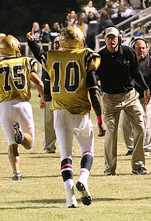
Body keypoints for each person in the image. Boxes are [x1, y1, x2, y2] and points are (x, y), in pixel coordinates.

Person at [29, 26, 105, 208]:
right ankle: (83, 179)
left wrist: (32, 42)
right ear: (80, 40)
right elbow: (94, 92)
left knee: (65, 155)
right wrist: (100, 121)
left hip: (60, 113)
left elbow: (40, 56)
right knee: (87, 149)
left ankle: (69, 197)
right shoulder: (86, 56)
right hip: (80, 112)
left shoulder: (52, 56)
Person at [0, 35, 46, 181]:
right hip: (23, 104)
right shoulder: (25, 62)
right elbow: (40, 83)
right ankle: (22, 136)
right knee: (29, 143)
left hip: (5, 106)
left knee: (12, 143)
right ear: (16, 48)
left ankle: (16, 173)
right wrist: (42, 98)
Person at [97, 26, 150, 176]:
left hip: (129, 95)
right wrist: (97, 85)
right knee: (111, 132)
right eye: (108, 37)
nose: (111, 40)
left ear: (118, 38)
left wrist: (145, 88)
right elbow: (94, 75)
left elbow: (136, 72)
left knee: (140, 127)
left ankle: (138, 165)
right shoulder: (100, 56)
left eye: (114, 37)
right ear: (105, 39)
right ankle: (110, 168)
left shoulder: (128, 52)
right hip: (110, 98)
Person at [122, 37, 151, 156]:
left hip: (146, 96)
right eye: (138, 48)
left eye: (143, 48)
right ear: (133, 49)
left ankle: (146, 147)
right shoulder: (128, 61)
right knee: (125, 123)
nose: (141, 51)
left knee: (147, 122)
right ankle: (131, 147)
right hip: (129, 96)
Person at [27, 35, 60, 153]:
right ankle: (49, 146)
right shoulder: (47, 57)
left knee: (64, 124)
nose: (57, 45)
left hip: (63, 96)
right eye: (56, 43)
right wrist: (32, 42)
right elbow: (38, 53)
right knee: (48, 122)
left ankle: (66, 147)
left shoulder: (68, 57)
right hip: (48, 94)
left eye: (60, 43)